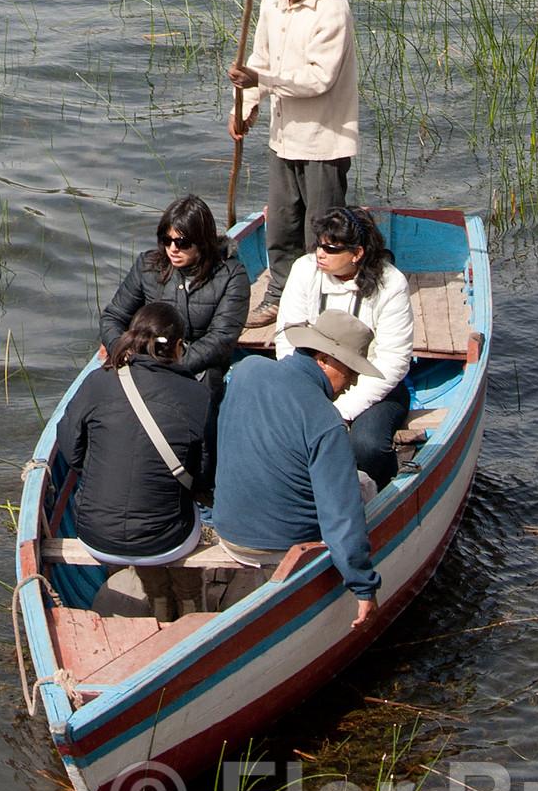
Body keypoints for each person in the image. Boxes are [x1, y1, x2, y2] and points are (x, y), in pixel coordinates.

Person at [207, 310, 383, 628]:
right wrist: (363, 586)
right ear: (325, 359)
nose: (354, 381)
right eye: (352, 370)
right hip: (282, 549)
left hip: (227, 533)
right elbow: (340, 515)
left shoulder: (245, 370)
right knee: (366, 484)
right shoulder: (326, 421)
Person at [226, 0, 358, 322]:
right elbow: (261, 59)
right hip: (283, 137)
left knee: (322, 230)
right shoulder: (271, 1)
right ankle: (279, 294)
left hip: (324, 139)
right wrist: (245, 106)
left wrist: (261, 81)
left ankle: (321, 302)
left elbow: (320, 79)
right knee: (281, 223)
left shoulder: (333, 9)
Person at [56, 302, 215, 591]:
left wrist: (96, 466)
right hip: (167, 543)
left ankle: (152, 590)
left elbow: (69, 446)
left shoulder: (97, 382)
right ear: (179, 346)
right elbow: (204, 474)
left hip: (94, 537)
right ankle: (181, 597)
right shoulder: (198, 396)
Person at [274, 206, 414, 488]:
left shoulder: (392, 285)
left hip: (371, 384)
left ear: (357, 253)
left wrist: (343, 410)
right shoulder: (304, 270)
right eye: (319, 245)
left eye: (331, 248)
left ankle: (384, 489)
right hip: (312, 380)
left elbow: (393, 361)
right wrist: (305, 393)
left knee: (366, 446)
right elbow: (287, 335)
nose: (320, 254)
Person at [98, 195, 251, 408]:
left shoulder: (231, 276)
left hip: (197, 368)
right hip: (142, 360)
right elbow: (113, 317)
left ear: (202, 242)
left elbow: (220, 340)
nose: (173, 249)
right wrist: (121, 350)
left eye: (182, 243)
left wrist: (171, 366)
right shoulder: (148, 266)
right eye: (166, 240)